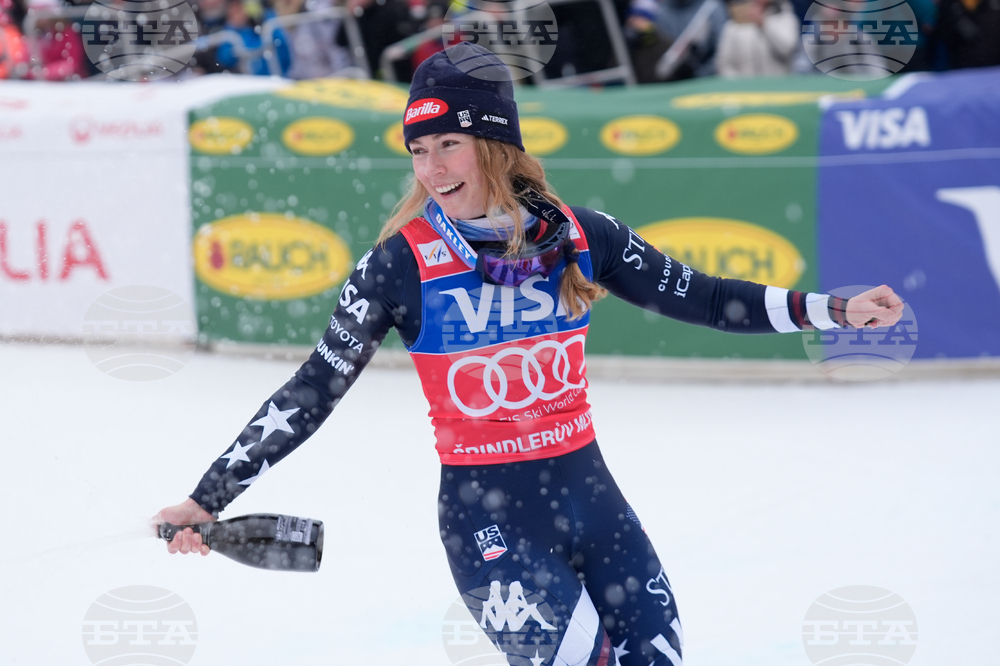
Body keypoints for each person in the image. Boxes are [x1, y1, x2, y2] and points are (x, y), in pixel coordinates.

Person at [156, 42, 904, 666]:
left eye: (449, 144)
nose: (433, 168)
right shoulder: (397, 266)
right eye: (419, 150)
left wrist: (832, 309)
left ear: (494, 144)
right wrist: (208, 498)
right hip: (492, 526)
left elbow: (704, 297)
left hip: (595, 501)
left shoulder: (582, 235)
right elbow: (311, 390)